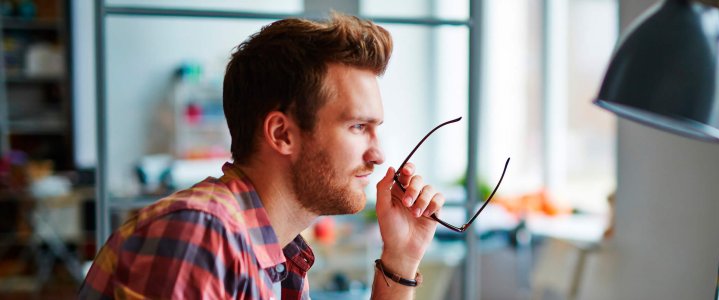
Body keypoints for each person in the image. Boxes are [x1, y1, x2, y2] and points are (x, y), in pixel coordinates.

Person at [80, 13, 446, 299]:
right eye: (357, 127)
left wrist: (401, 257)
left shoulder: (281, 255)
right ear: (281, 133)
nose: (378, 154)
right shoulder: (201, 235)